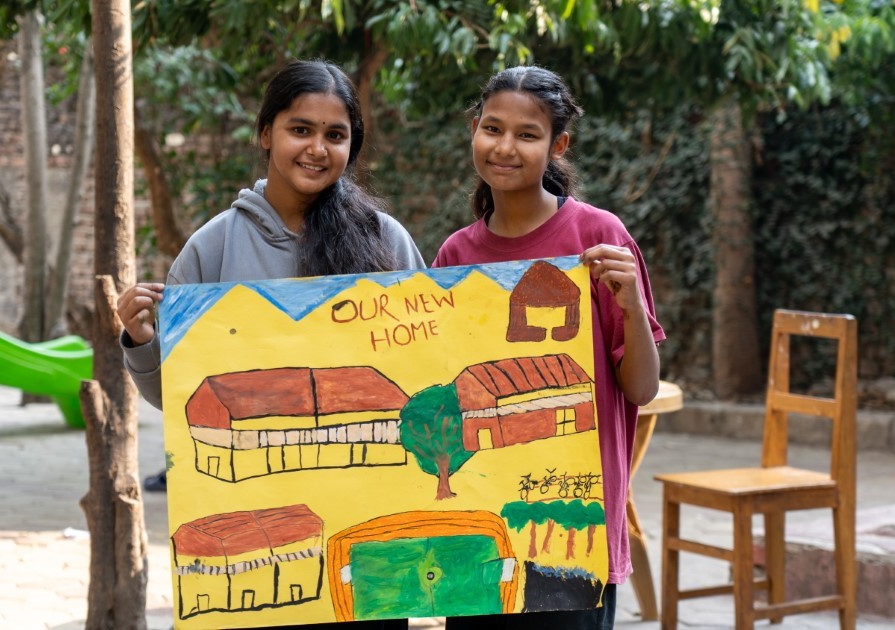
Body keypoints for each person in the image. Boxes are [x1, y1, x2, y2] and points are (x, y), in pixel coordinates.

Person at [117, 60, 424, 630]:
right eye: (300, 129)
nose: (317, 148)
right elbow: (183, 401)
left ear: (352, 146)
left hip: (368, 523)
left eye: (335, 135)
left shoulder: (387, 242)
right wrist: (140, 340)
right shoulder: (212, 248)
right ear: (265, 133)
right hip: (254, 525)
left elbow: (424, 366)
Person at [433, 66, 665, 630]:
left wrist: (632, 306)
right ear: (473, 129)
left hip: (573, 530)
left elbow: (641, 388)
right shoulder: (455, 256)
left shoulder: (599, 239)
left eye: (527, 134)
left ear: (558, 145)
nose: (504, 147)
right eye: (492, 128)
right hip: (482, 531)